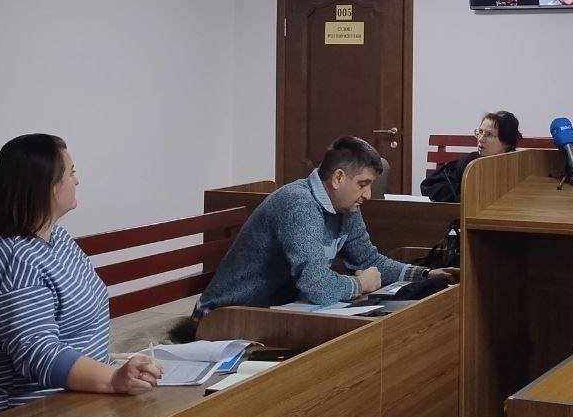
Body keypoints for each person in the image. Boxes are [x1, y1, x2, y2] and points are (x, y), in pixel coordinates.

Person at [0, 134, 162, 417]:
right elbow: (38, 353)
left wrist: (115, 375)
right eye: (71, 173)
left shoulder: (55, 237)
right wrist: (112, 379)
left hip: (64, 399)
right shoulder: (12, 259)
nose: (77, 181)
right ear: (45, 184)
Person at [193, 136, 457, 317]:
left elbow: (368, 260)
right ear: (338, 178)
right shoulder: (299, 203)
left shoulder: (346, 207)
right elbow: (316, 285)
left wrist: (425, 275)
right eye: (363, 184)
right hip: (228, 316)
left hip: (276, 311)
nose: (367, 195)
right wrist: (360, 284)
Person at [421, 111, 521, 203]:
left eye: (489, 134)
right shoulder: (469, 162)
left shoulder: (518, 167)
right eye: (480, 132)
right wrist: (464, 196)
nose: (480, 139)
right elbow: (430, 186)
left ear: (507, 142)